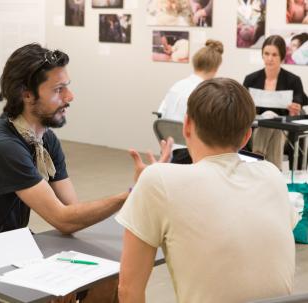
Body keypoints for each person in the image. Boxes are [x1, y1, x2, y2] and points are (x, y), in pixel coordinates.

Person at [0, 43, 171, 303]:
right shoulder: (2, 148)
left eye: (67, 87)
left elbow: (72, 210)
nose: (70, 96)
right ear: (27, 95)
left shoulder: (44, 140)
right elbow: (64, 219)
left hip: (16, 246)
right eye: (59, 89)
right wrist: (132, 194)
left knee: (111, 279)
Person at [117, 78, 299, 303]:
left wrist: (144, 186)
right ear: (246, 137)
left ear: (186, 125)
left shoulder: (158, 180)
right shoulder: (272, 176)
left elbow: (128, 290)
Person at [243, 35, 305, 169]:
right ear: (262, 55)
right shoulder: (251, 79)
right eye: (266, 53)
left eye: (274, 55)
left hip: (286, 132)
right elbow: (241, 107)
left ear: (282, 57)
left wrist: (296, 107)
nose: (269, 58)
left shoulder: (293, 80)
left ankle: (257, 159)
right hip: (255, 130)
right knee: (273, 122)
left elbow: (300, 99)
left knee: (272, 118)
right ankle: (277, 171)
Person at [158, 39, 223, 163]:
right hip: (189, 153)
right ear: (216, 68)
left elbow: (161, 114)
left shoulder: (177, 85)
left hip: (168, 149)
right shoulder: (205, 92)